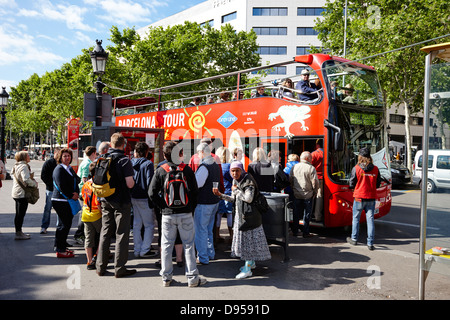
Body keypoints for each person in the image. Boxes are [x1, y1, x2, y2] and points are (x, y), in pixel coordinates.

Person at [149, 140, 207, 287]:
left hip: (167, 214)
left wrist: (163, 206)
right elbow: (195, 192)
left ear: (164, 155)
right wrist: (190, 207)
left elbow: (151, 193)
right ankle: (193, 278)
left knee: (167, 245)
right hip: (185, 213)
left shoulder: (161, 170)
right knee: (188, 245)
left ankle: (166, 278)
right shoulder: (186, 170)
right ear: (180, 154)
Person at [213, 161, 271, 279]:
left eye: (237, 170)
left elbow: (248, 199)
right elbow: (234, 199)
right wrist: (220, 195)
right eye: (232, 171)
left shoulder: (248, 181)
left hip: (250, 217)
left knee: (247, 243)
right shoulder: (237, 181)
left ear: (242, 170)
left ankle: (248, 268)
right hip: (242, 216)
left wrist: (236, 191)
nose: (235, 173)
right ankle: (251, 263)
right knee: (248, 242)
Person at [96, 133, 136, 278]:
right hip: (122, 201)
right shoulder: (124, 160)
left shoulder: (104, 158)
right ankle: (119, 268)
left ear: (111, 144)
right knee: (121, 234)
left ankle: (100, 266)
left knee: (105, 232)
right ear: (123, 144)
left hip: (106, 199)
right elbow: (130, 183)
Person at [347, 148, 381, 251]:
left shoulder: (356, 168)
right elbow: (378, 184)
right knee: (370, 220)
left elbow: (351, 183)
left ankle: (354, 239)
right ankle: (370, 243)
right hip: (371, 197)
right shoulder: (375, 169)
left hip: (359, 197)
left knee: (356, 219)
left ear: (360, 157)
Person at [194, 142, 221, 265]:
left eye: (198, 152)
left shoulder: (204, 166)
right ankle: (210, 253)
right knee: (209, 229)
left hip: (204, 202)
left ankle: (203, 257)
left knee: (201, 230)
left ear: (202, 152)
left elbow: (197, 184)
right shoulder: (214, 164)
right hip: (213, 201)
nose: (197, 155)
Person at [52, 148, 81, 257]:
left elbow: (76, 180)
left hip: (68, 199)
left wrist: (76, 193)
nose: (67, 158)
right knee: (64, 225)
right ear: (60, 157)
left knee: (66, 224)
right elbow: (61, 186)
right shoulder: (59, 169)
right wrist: (72, 195)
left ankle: (61, 245)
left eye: (68, 156)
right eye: (65, 156)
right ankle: (60, 249)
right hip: (60, 199)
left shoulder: (69, 168)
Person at [131, 142, 156, 258]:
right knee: (149, 225)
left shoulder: (131, 162)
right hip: (144, 197)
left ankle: (137, 249)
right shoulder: (148, 164)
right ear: (146, 152)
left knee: (136, 224)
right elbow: (150, 182)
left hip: (133, 196)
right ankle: (145, 249)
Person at [289, 151, 318, 237]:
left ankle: (295, 231)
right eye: (311, 158)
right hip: (308, 195)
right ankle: (306, 232)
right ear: (307, 158)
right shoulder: (311, 168)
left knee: (296, 214)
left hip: (297, 194)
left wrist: (293, 188)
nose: (312, 160)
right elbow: (315, 182)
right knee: (307, 215)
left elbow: (290, 179)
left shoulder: (294, 167)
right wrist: (315, 192)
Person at [11, 151, 38, 240]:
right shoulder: (23, 166)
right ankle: (19, 233)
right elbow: (26, 179)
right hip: (21, 193)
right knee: (20, 214)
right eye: (27, 155)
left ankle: (18, 232)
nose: (29, 156)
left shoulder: (17, 165)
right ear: (23, 157)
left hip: (16, 192)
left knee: (18, 214)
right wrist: (34, 184)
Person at [74, 146, 97, 245]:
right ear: (93, 153)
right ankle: (79, 234)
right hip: (85, 192)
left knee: (84, 213)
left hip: (83, 191)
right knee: (84, 214)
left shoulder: (85, 162)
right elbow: (84, 179)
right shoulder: (87, 163)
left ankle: (81, 234)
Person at [81, 163, 102, 270]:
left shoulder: (85, 185)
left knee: (88, 239)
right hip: (96, 215)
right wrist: (103, 212)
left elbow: (83, 197)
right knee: (103, 236)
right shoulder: (96, 185)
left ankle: (89, 261)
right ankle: (96, 256)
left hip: (85, 214)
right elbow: (98, 203)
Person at [214, 147, 233, 243]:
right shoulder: (230, 166)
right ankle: (231, 235)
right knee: (229, 213)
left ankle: (217, 234)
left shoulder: (217, 165)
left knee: (219, 214)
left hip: (219, 191)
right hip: (229, 192)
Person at [40, 147, 60, 234]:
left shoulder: (61, 163)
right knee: (47, 208)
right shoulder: (49, 163)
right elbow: (43, 175)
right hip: (51, 189)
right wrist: (50, 184)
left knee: (60, 210)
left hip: (59, 190)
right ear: (55, 153)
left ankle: (59, 227)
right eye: (58, 153)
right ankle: (44, 226)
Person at [311, 139, 324, 222]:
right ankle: (318, 216)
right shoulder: (327, 153)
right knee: (319, 196)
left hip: (315, 177)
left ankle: (309, 213)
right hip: (322, 178)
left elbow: (309, 166)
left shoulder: (314, 154)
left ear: (317, 145)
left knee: (311, 196)